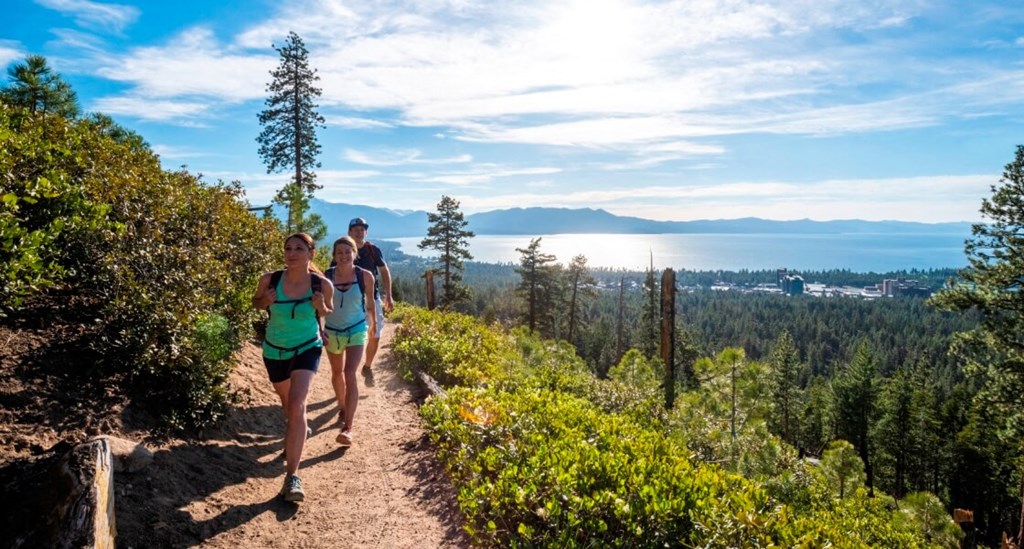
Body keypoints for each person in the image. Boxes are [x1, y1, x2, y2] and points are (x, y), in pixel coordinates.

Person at [251, 232, 333, 503]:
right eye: (288, 248)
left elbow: (327, 311)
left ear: (311, 253)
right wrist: (266, 301)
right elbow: (256, 302)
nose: (292, 253)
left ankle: (292, 477)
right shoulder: (269, 279)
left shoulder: (321, 284)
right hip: (274, 350)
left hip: (307, 347)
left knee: (298, 403)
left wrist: (321, 307)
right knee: (288, 404)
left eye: (299, 248)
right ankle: (296, 429)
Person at [322, 236, 376, 446]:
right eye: (339, 253)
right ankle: (343, 407)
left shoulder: (365, 276)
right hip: (332, 331)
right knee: (336, 374)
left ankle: (348, 428)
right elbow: (318, 306)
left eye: (347, 252)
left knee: (349, 372)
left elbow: (370, 304)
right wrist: (319, 329)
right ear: (334, 256)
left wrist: (372, 326)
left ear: (355, 253)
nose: (343, 256)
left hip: (356, 329)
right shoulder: (326, 277)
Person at [347, 217, 394, 383]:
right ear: (350, 232)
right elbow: (333, 274)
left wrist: (388, 295)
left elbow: (384, 271)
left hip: (371, 299)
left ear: (365, 231)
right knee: (351, 336)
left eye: (362, 229)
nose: (359, 232)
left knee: (375, 335)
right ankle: (349, 371)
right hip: (350, 301)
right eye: (356, 229)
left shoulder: (373, 250)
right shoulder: (345, 249)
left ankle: (367, 366)